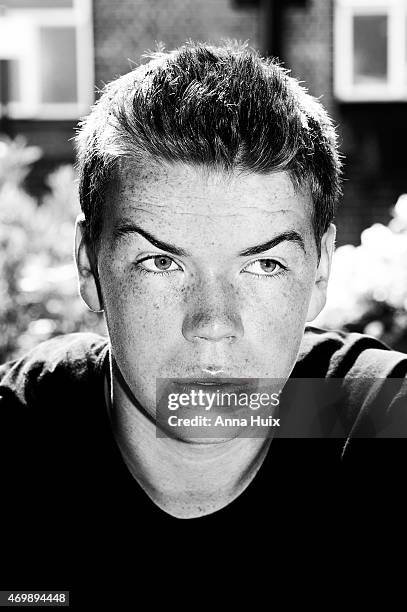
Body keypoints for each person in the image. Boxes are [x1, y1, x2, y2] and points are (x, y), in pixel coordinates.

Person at [1, 41, 406, 597]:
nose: (213, 322)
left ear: (319, 272)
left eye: (264, 264)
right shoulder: (31, 430)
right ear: (90, 266)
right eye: (160, 262)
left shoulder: (355, 414)